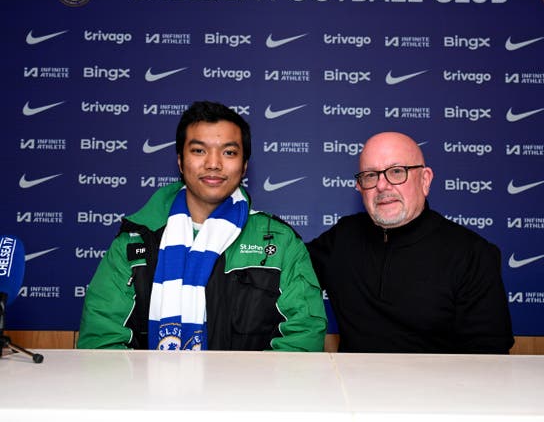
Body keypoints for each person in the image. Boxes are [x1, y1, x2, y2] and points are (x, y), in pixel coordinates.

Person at [78, 101, 327, 351]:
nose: (213, 163)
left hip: (248, 390)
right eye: (199, 151)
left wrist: (246, 390)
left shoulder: (278, 242)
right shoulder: (134, 241)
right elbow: (102, 341)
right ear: (179, 161)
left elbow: (302, 339)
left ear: (244, 165)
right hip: (149, 389)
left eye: (229, 152)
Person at [307, 132, 514, 353]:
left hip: (441, 386)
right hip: (352, 385)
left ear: (425, 180)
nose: (382, 186)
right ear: (359, 186)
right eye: (370, 175)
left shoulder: (472, 254)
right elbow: (283, 270)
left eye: (397, 172)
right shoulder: (342, 238)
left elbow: (489, 357)